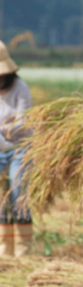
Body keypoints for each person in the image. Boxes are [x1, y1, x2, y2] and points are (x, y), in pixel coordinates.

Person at [0, 40, 33, 258]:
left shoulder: (21, 89)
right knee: (1, 198)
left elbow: (22, 122)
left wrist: (3, 128)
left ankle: (23, 252)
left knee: (18, 193)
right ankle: (4, 251)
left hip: (20, 147)